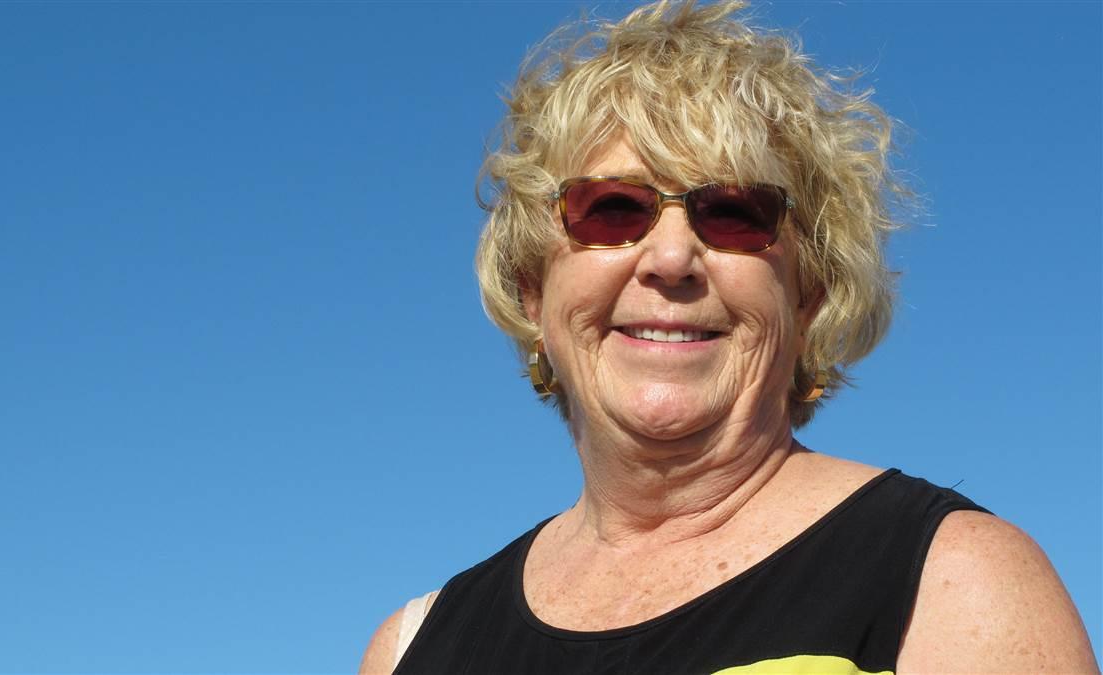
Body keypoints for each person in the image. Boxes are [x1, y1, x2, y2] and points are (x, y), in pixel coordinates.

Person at [360, 1, 1098, 673]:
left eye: (736, 213)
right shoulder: (410, 647)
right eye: (612, 209)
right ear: (532, 291)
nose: (673, 259)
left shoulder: (957, 580)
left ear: (808, 294)